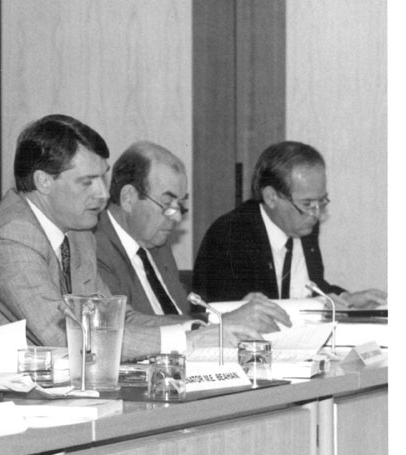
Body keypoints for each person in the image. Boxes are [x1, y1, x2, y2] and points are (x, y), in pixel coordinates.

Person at [0, 114, 261, 357]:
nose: (103, 194)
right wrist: (184, 342)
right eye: (87, 182)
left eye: (103, 178)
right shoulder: (10, 236)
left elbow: (116, 318)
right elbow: (63, 337)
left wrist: (203, 330)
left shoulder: (77, 233)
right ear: (44, 182)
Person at [96, 141, 290, 332]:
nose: (177, 217)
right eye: (167, 204)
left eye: (180, 205)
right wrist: (219, 321)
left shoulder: (155, 243)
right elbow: (123, 326)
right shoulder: (94, 247)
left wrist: (230, 311)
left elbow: (181, 313)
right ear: (128, 198)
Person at [192, 141, 387, 308]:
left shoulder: (304, 224)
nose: (317, 214)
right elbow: (227, 313)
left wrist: (346, 299)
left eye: (321, 201)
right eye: (308, 204)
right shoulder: (229, 236)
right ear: (271, 197)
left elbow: (307, 287)